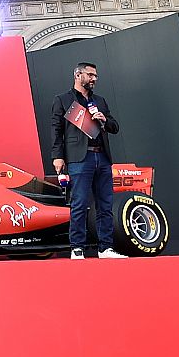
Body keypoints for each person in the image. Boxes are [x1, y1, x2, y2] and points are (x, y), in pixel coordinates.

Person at [49, 63, 123, 260]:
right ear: (78, 75)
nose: (94, 79)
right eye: (90, 75)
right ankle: (77, 248)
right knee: (79, 203)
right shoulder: (63, 100)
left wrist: (105, 120)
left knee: (105, 205)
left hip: (102, 157)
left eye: (96, 76)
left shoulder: (100, 101)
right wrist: (57, 156)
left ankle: (105, 248)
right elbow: (56, 130)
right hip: (80, 158)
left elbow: (115, 127)